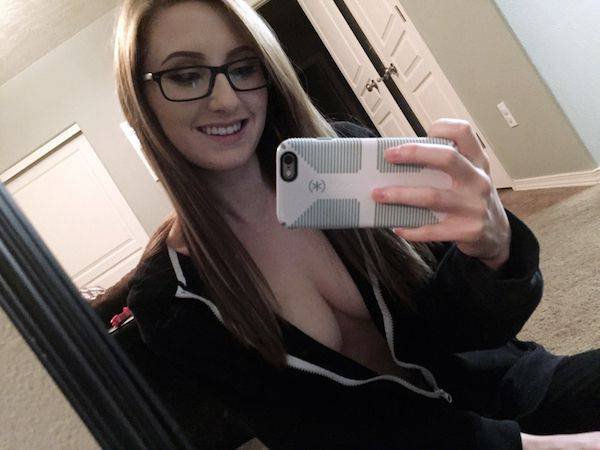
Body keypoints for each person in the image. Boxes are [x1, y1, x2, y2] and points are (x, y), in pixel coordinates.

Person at [112, 0, 600, 448]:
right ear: (140, 98)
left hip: (511, 390)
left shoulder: (343, 159)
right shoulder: (170, 297)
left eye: (243, 68)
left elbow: (466, 332)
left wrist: (492, 254)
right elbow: (321, 435)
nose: (226, 99)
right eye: (186, 76)